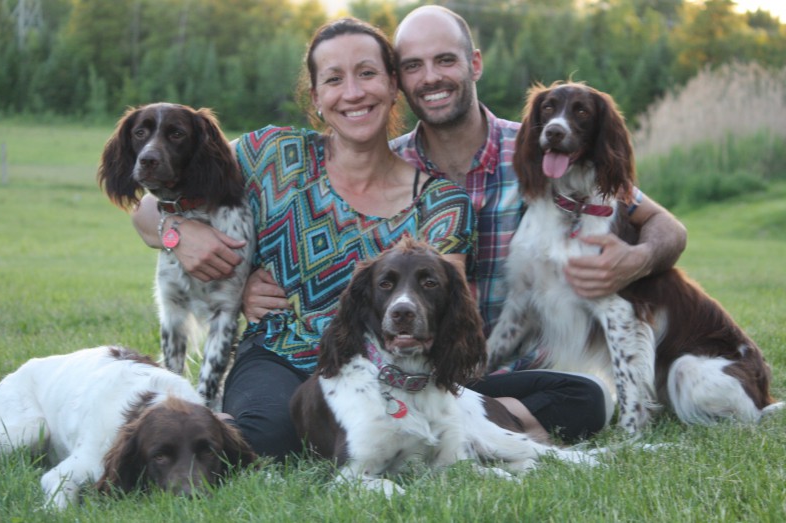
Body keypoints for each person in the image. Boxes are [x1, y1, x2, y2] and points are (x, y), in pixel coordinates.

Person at [243, 6, 687, 442]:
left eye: (446, 60)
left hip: (485, 365)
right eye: (414, 65)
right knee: (278, 427)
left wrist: (636, 259)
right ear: (400, 80)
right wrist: (187, 238)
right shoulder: (384, 161)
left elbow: (664, 225)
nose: (431, 77)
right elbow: (193, 183)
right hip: (403, 363)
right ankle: (469, 435)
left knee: (587, 399)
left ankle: (456, 433)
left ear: (474, 63)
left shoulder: (542, 153)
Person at [131, 18, 476, 460]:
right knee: (262, 441)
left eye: (367, 74)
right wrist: (179, 233)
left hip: (386, 369)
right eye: (334, 79)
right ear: (316, 97)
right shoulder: (271, 154)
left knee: (573, 398)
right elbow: (145, 212)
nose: (352, 93)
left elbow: (446, 312)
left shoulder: (441, 201)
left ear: (394, 86)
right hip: (279, 355)